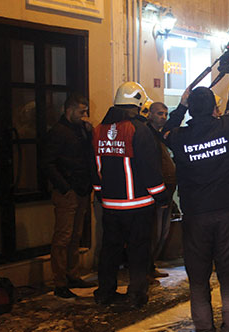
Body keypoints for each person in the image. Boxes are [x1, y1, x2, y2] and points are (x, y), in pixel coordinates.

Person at [162, 55, 229, 332]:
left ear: (190, 110)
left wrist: (180, 105)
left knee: (198, 281)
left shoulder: (178, 137)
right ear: (214, 109)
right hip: (225, 215)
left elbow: (162, 130)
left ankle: (204, 328)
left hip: (195, 218)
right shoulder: (226, 128)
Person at [92, 82, 167, 309]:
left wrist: (99, 193)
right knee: (138, 251)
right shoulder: (139, 130)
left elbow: (94, 166)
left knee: (110, 250)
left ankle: (105, 292)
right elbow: (149, 168)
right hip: (138, 204)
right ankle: (136, 294)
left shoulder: (98, 130)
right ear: (138, 104)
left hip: (110, 205)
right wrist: (161, 196)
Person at [43, 93, 96, 299]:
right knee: (63, 237)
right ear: (70, 109)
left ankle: (72, 275)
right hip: (68, 190)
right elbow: (47, 163)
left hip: (81, 187)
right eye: (81, 111)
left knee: (75, 235)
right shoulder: (58, 132)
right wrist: (64, 187)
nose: (85, 115)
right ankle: (60, 281)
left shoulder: (81, 129)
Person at [146, 102, 177, 279]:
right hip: (157, 193)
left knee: (162, 232)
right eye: (159, 113)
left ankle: (151, 265)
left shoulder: (163, 136)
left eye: (165, 114)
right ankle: (147, 268)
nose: (163, 117)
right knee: (155, 232)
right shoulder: (148, 135)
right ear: (150, 114)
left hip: (167, 190)